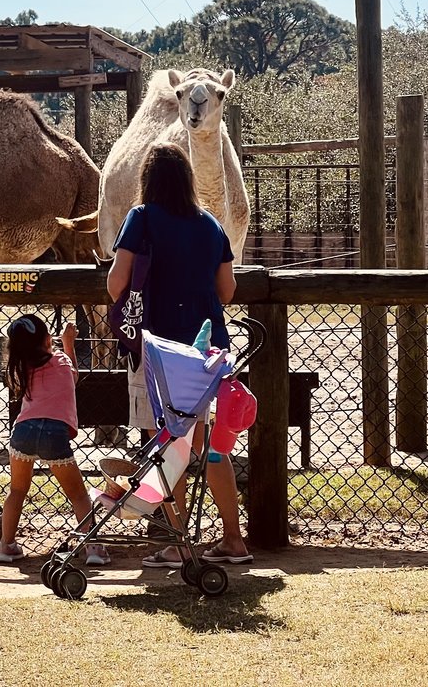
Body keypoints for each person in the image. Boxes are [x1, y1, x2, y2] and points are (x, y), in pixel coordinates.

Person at [106, 142, 250, 567]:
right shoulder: (210, 225)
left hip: (160, 352)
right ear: (188, 180)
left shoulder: (141, 219)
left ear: (146, 180)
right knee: (211, 448)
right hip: (207, 352)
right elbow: (227, 291)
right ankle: (233, 539)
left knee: (167, 446)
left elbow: (117, 283)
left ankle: (180, 542)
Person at [0, 313, 110, 566]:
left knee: (17, 490)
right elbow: (74, 376)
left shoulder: (20, 368)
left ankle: (6, 545)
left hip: (23, 432)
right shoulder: (60, 360)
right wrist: (68, 344)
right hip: (53, 434)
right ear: (48, 339)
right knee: (78, 494)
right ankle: (92, 547)